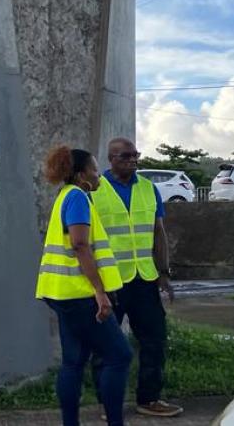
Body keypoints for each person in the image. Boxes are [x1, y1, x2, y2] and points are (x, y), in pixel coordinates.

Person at [35, 145, 132, 426]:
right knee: (119, 355)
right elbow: (80, 244)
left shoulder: (65, 195)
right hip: (80, 295)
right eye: (94, 169)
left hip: (61, 292)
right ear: (81, 175)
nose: (99, 174)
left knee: (73, 361)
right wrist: (100, 293)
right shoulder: (78, 198)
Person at [91, 137, 184, 418]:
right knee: (105, 345)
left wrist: (164, 273)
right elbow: (86, 240)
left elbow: (158, 232)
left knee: (154, 339)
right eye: (126, 156)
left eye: (135, 155)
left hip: (144, 279)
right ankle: (108, 403)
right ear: (111, 159)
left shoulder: (148, 189)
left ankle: (149, 398)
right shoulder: (95, 190)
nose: (133, 160)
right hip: (111, 281)